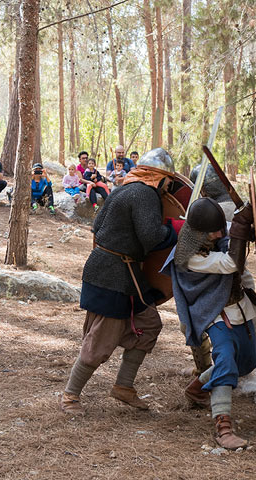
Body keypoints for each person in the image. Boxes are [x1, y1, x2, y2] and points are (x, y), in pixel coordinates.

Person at [60, 148, 177, 415]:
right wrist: (176, 230)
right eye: (168, 181)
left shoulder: (123, 188)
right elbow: (152, 237)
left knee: (148, 324)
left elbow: (97, 226)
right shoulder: (145, 193)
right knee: (102, 337)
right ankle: (70, 395)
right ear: (158, 176)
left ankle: (123, 386)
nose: (168, 187)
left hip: (124, 272)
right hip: (112, 274)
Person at [186, 164, 256, 389]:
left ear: (204, 190)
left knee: (254, 337)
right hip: (225, 284)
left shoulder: (215, 211)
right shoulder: (236, 207)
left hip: (229, 288)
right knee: (241, 336)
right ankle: (206, 373)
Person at [164, 197, 256, 449]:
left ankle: (196, 388)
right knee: (226, 359)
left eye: (221, 228)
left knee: (244, 362)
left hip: (240, 309)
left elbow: (240, 270)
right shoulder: (188, 257)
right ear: (198, 232)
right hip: (214, 314)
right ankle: (223, 426)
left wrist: (246, 225)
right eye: (213, 230)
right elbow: (229, 264)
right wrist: (239, 227)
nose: (219, 233)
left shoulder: (217, 238)